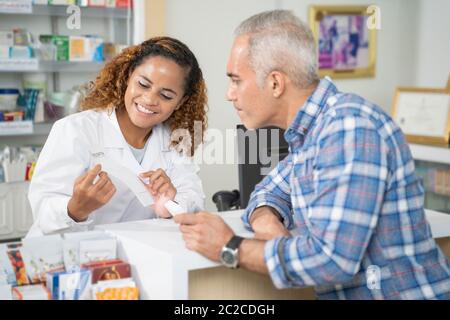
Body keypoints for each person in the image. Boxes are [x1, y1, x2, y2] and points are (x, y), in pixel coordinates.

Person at [174, 10, 450, 299]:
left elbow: (332, 262)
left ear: (276, 83)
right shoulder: (310, 133)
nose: (229, 94)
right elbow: (266, 192)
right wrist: (267, 221)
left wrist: (229, 246)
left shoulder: (347, 127)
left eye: (236, 80)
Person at [27, 37, 207, 237]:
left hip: (133, 257)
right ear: (128, 76)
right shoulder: (75, 129)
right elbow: (43, 209)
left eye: (166, 96)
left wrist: (170, 203)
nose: (149, 99)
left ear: (180, 102)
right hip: (63, 256)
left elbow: (194, 204)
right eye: (143, 84)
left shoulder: (174, 141)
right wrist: (75, 209)